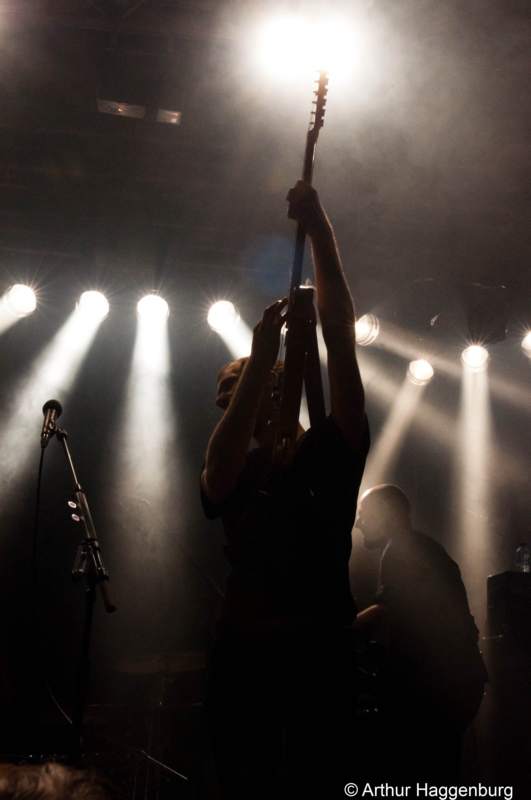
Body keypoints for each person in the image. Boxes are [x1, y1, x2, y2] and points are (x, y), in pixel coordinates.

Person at [201, 182, 370, 798]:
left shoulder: (329, 450)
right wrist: (259, 358)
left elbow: (340, 334)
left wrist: (321, 230)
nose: (235, 411)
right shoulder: (239, 471)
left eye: (242, 394)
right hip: (245, 660)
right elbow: (216, 474)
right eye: (229, 402)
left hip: (317, 658)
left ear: (279, 391)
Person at [355, 483, 488, 783]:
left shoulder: (401, 549)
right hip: (458, 681)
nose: (358, 523)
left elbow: (384, 609)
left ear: (386, 514)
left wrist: (340, 632)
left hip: (440, 685)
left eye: (364, 514)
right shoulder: (420, 547)